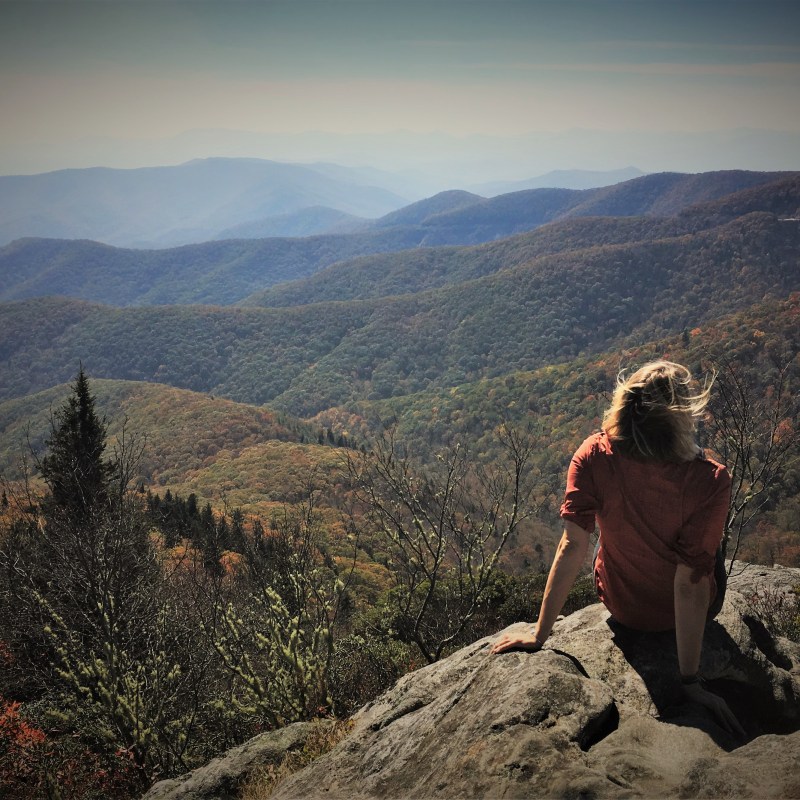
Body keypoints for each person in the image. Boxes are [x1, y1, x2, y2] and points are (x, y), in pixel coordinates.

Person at [490, 360, 744, 736]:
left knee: (605, 535)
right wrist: (689, 681)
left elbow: (571, 546)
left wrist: (539, 633)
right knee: (709, 548)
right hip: (682, 616)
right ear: (680, 417)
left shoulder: (593, 454)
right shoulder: (711, 479)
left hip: (621, 606)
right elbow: (690, 582)